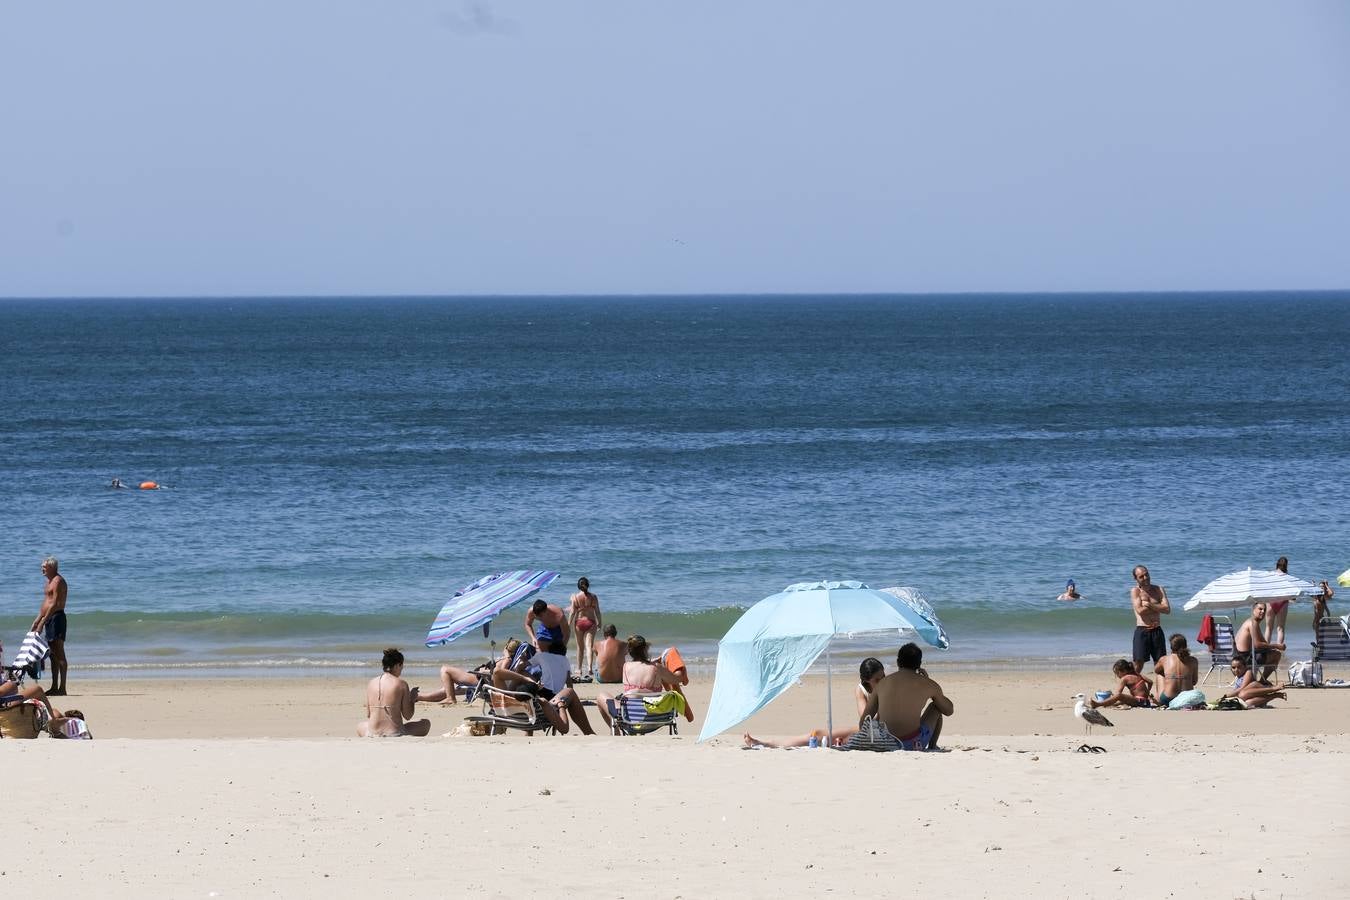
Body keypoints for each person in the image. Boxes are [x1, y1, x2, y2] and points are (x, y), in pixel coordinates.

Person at [744, 657, 885, 748]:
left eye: (883, 676)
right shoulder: (860, 690)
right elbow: (866, 720)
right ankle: (766, 743)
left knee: (826, 737)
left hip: (886, 730)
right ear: (866, 680)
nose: (882, 681)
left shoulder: (888, 686)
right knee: (817, 735)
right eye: (877, 680)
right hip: (870, 730)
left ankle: (765, 743)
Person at [860, 642, 953, 751]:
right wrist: (930, 686)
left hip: (885, 743)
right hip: (913, 744)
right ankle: (932, 746)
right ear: (919, 664)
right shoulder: (928, 684)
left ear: (898, 662)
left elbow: (863, 722)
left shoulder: (882, 683)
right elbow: (948, 710)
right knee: (936, 707)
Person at [595, 635, 683, 731]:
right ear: (646, 649)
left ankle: (616, 732)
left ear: (630, 651)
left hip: (630, 719)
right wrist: (679, 667)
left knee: (601, 696)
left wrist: (651, 662)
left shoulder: (626, 666)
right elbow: (678, 678)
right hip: (656, 719)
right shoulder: (657, 668)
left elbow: (639, 667)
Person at [357, 648, 431, 737]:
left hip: (372, 733)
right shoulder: (401, 684)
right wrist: (412, 699)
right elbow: (408, 716)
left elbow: (369, 714)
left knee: (360, 725)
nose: (401, 670)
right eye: (401, 666)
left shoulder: (371, 682)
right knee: (426, 723)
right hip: (394, 733)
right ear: (397, 665)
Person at [32, 556, 69, 696]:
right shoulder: (49, 582)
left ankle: (62, 688)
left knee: (59, 653)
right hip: (48, 617)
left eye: (44, 566)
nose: (42, 568)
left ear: (52, 567)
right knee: (52, 655)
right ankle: (54, 687)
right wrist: (37, 619)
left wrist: (43, 621)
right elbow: (46, 603)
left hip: (57, 617)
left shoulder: (58, 581)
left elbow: (54, 604)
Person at [1130, 565, 1170, 675]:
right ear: (1136, 578)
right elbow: (1140, 611)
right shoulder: (1135, 591)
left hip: (1157, 630)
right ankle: (1133, 689)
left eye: (1147, 574)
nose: (1146, 578)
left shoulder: (1158, 589)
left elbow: (1167, 610)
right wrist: (1157, 606)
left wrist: (1149, 605)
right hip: (1142, 630)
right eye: (1141, 576)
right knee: (1138, 663)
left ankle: (1161, 692)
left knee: (1160, 665)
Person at [1235, 602, 1284, 683]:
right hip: (1245, 659)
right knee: (1276, 654)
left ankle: (1261, 681)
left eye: (1264, 610)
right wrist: (1277, 646)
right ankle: (1262, 681)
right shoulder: (1253, 623)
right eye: (1260, 609)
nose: (1263, 612)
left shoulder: (1250, 621)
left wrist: (1270, 646)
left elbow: (1262, 642)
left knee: (1272, 652)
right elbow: (1257, 644)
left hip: (1239, 656)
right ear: (1253, 610)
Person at [568, 577, 603, 681]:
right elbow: (597, 611)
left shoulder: (575, 597)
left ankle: (578, 669)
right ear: (588, 585)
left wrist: (568, 624)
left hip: (579, 622)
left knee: (580, 647)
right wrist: (599, 622)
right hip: (590, 622)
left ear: (578, 586)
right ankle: (589, 668)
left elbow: (572, 612)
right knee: (589, 646)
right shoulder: (593, 597)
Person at [1221, 656, 1286, 708]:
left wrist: (1225, 696)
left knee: (1242, 694)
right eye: (1233, 667)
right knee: (1246, 704)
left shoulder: (1248, 672)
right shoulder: (1238, 677)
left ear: (1245, 667)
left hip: (1258, 692)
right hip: (1257, 699)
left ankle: (1274, 689)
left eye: (1239, 667)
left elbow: (1242, 688)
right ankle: (1275, 695)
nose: (1236, 670)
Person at [1153, 633, 1199, 706]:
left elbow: (1156, 670)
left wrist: (1170, 676)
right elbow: (1194, 682)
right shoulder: (1193, 660)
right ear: (1185, 646)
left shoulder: (1164, 659)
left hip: (1168, 699)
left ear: (1171, 647)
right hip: (1187, 699)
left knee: (1159, 675)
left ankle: (1158, 699)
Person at [1089, 659, 1154, 708]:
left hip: (1139, 701)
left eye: (1117, 673)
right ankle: (1108, 704)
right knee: (1123, 699)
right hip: (1146, 702)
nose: (1117, 675)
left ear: (1124, 671)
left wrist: (1112, 696)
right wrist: (1147, 692)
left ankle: (1098, 704)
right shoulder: (1137, 674)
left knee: (1119, 696)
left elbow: (1118, 694)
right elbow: (1150, 682)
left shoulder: (1124, 678)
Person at [1265, 557, 1292, 647]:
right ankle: (1279, 649)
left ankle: (1265, 649)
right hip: (1282, 602)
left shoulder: (1270, 574)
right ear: (1286, 565)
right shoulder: (1287, 577)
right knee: (1280, 628)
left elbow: (1265, 588)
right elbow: (1290, 592)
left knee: (1268, 628)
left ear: (1277, 564)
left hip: (1271, 601)